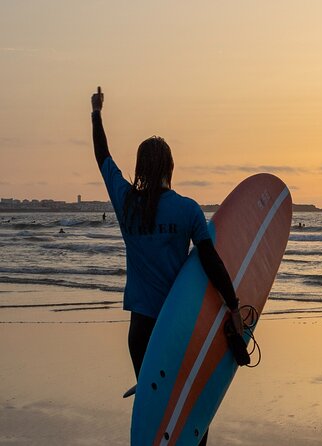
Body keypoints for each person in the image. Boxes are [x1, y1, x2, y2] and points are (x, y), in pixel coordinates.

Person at [91, 87, 243, 446]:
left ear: (141, 168)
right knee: (192, 414)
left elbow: (102, 156)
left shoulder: (127, 204)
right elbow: (211, 262)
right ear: (171, 168)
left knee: (156, 413)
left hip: (142, 331)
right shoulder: (188, 209)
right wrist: (233, 307)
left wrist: (96, 114)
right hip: (181, 328)